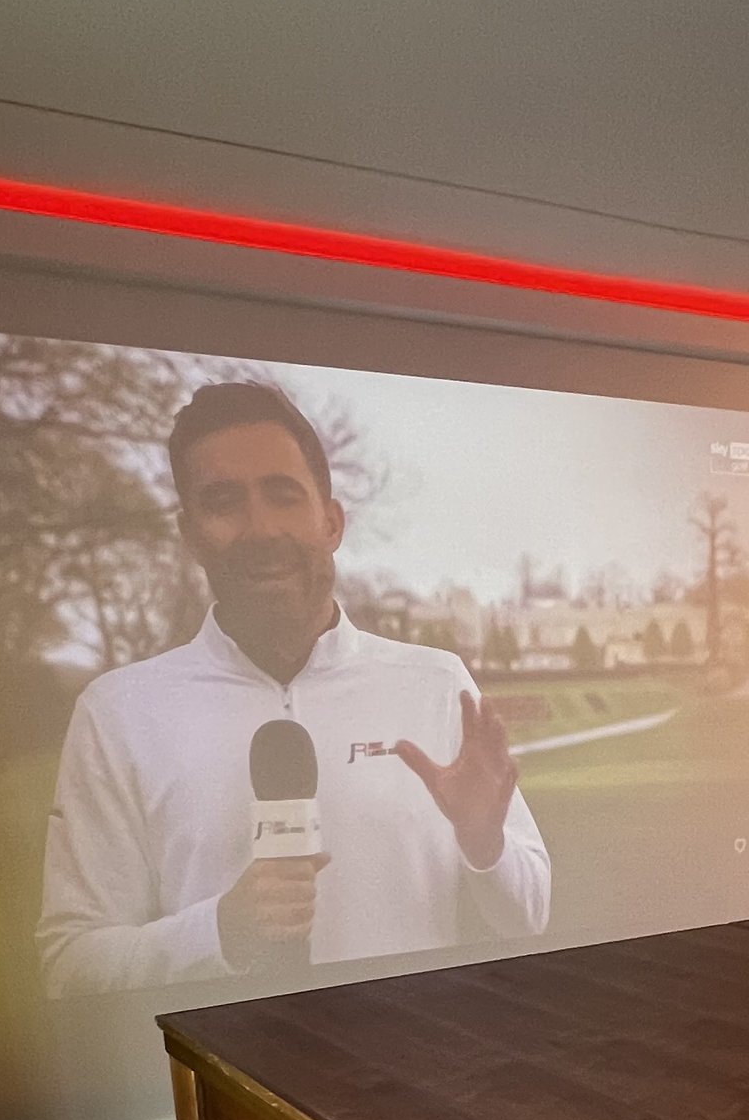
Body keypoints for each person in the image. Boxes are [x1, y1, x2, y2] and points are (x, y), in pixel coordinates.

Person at [38, 380, 551, 997]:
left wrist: (484, 842)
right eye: (224, 502)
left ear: (330, 521)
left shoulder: (435, 684)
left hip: (413, 1049)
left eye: (283, 495)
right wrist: (220, 932)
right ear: (191, 535)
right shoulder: (119, 713)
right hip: (224, 1060)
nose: (260, 528)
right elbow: (71, 964)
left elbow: (529, 916)